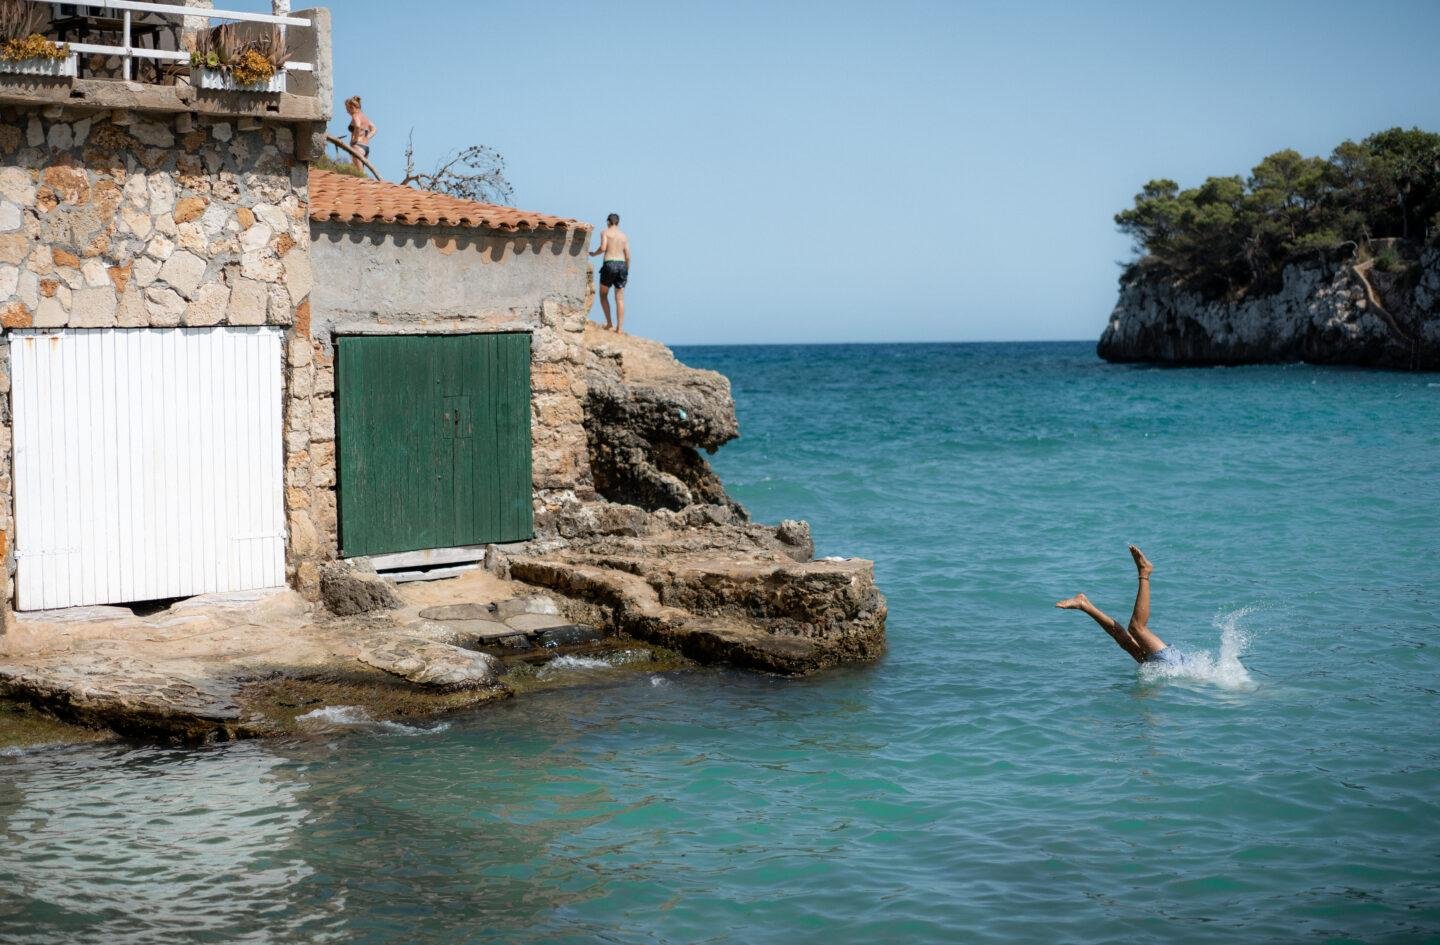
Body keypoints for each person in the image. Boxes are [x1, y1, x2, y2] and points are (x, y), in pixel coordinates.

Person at [1055, 545, 1184, 665]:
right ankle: (1144, 571)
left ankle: (1084, 604)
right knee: (1137, 628)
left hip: (1162, 667)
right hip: (1173, 663)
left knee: (1125, 642)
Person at [589, 213, 630, 333]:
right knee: (620, 298)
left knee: (603, 295)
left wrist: (593, 254)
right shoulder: (624, 236)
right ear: (618, 222)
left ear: (608, 221)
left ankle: (609, 323)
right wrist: (627, 269)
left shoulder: (605, 232)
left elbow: (603, 248)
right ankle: (620, 329)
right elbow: (628, 255)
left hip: (610, 264)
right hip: (622, 265)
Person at [345, 96, 376, 172]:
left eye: (347, 108)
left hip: (357, 147)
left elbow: (358, 125)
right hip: (366, 147)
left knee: (360, 176)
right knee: (359, 173)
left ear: (352, 107)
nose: (347, 111)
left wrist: (354, 140)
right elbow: (374, 129)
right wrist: (367, 137)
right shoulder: (365, 117)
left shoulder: (355, 115)